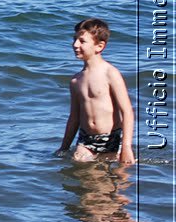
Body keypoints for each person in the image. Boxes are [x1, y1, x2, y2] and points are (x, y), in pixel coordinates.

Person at [58, 18, 136, 165]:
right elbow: (74, 118)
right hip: (86, 139)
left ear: (99, 46)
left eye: (82, 41)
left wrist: (126, 147)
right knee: (81, 167)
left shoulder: (110, 73)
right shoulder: (76, 80)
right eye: (74, 40)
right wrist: (64, 147)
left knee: (116, 181)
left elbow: (127, 112)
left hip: (111, 138)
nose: (75, 45)